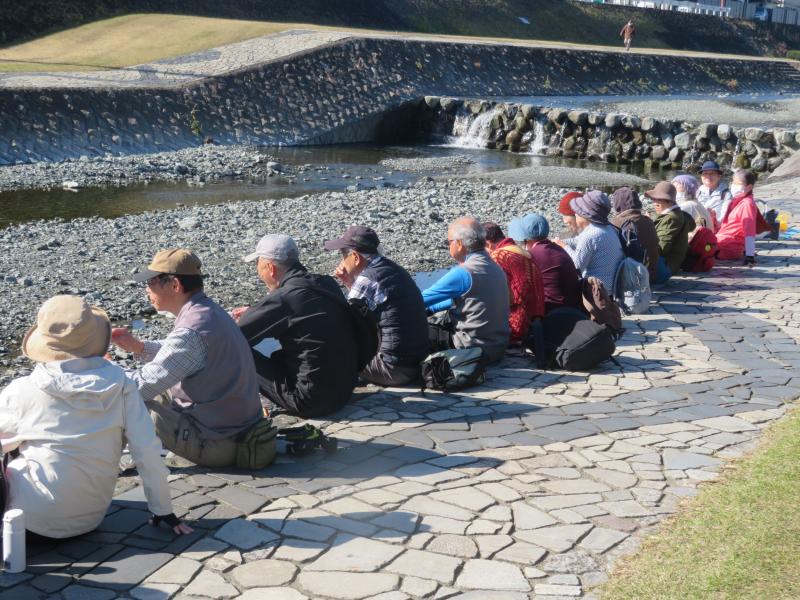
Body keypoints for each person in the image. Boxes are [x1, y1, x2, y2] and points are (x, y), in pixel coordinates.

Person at [0, 295, 190, 538]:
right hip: (91, 517)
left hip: (28, 522)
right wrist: (163, 509)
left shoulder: (22, 390)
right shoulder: (122, 385)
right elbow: (147, 451)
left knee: (14, 449)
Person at [112, 249, 263, 468]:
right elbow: (183, 356)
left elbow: (139, 387)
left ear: (175, 285)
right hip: (239, 429)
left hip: (219, 444)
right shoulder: (208, 311)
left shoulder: (192, 331)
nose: (147, 290)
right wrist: (139, 347)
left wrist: (101, 372)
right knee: (155, 389)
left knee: (129, 401)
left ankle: (98, 471)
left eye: (151, 282)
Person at [234, 234, 359, 417]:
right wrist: (256, 312)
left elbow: (234, 336)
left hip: (310, 400)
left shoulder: (284, 298)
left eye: (257, 264)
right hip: (344, 392)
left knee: (234, 349)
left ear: (270, 268)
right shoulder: (326, 283)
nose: (257, 271)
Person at [324, 225, 428, 386]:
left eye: (343, 254)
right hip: (415, 361)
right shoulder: (392, 268)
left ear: (356, 257)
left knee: (329, 352)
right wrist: (349, 282)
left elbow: (345, 325)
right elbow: (368, 310)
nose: (342, 260)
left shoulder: (367, 279)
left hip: (393, 369)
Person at [422, 217, 510, 363]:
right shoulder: (495, 266)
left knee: (413, 328)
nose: (448, 246)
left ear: (459, 244)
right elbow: (472, 298)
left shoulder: (464, 272)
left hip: (472, 349)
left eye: (448, 242)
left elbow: (418, 300)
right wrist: (434, 307)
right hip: (498, 347)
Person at [484, 222, 545, 344]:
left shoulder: (499, 256)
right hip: (535, 318)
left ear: (488, 244)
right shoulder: (521, 251)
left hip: (516, 325)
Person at [509, 213, 582, 315]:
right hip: (573, 306)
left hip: (553, 311)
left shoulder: (532, 256)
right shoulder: (557, 248)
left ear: (527, 239)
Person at [557, 191, 624, 293]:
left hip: (596, 293)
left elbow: (576, 268)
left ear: (586, 215)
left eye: (578, 211)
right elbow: (576, 240)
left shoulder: (590, 236)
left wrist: (565, 247)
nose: (575, 213)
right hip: (610, 289)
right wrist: (558, 242)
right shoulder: (608, 227)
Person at [646, 182, 696, 283]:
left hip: (664, 268)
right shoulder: (677, 214)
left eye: (659, 199)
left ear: (669, 201)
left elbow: (660, 249)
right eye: (654, 199)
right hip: (668, 265)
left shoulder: (671, 219)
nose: (655, 203)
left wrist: (647, 227)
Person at [716, 169, 767, 264]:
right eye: (733, 183)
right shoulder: (737, 200)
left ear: (749, 187)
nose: (734, 186)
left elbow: (749, 231)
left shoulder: (747, 204)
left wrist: (749, 255)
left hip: (729, 246)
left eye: (738, 184)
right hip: (723, 241)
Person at [610, 187, 660, 284]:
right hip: (651, 275)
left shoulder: (615, 223)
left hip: (630, 278)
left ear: (617, 204)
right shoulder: (648, 221)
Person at [696, 160, 732, 231]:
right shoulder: (697, 192)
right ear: (701, 176)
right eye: (705, 173)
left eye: (712, 174)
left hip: (718, 230)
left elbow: (724, 216)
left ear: (719, 176)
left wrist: (712, 224)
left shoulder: (726, 194)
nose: (708, 176)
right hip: (698, 228)